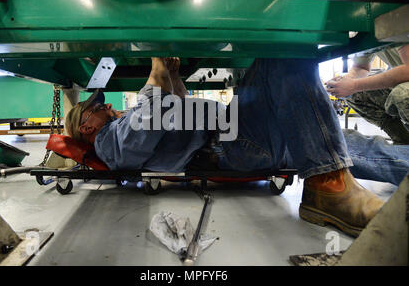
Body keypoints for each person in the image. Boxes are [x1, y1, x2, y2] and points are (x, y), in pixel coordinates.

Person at [66, 57, 409, 237]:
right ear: (86, 127)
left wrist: (171, 76)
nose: (108, 107)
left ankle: (334, 176)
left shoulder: (119, 125)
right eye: (100, 108)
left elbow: (179, 107)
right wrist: (155, 72)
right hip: (231, 142)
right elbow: (151, 118)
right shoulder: (110, 142)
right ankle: (329, 189)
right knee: (280, 57)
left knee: (353, 149)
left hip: (236, 135)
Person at [326, 44, 409, 144]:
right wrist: (347, 79)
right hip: (402, 82)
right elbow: (361, 67)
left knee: (402, 95)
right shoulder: (361, 32)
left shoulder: (393, 28)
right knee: (354, 94)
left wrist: (354, 85)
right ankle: (404, 140)